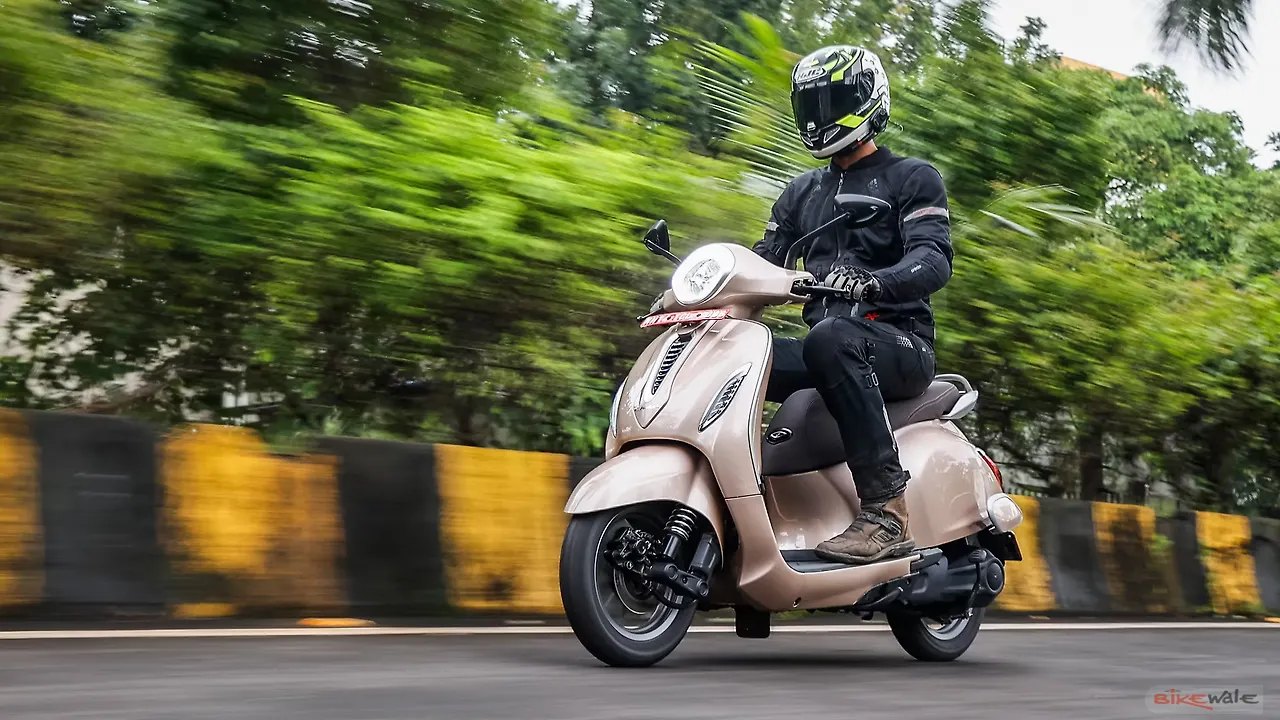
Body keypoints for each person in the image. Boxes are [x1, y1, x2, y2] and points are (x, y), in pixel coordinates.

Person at [753, 45, 953, 564]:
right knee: (744, 350)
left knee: (829, 337)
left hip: (900, 346)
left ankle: (887, 513)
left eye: (833, 101)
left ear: (867, 101)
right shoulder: (799, 193)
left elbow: (933, 261)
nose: (819, 116)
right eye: (811, 104)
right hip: (831, 346)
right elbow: (762, 262)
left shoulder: (913, 178)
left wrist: (874, 284)